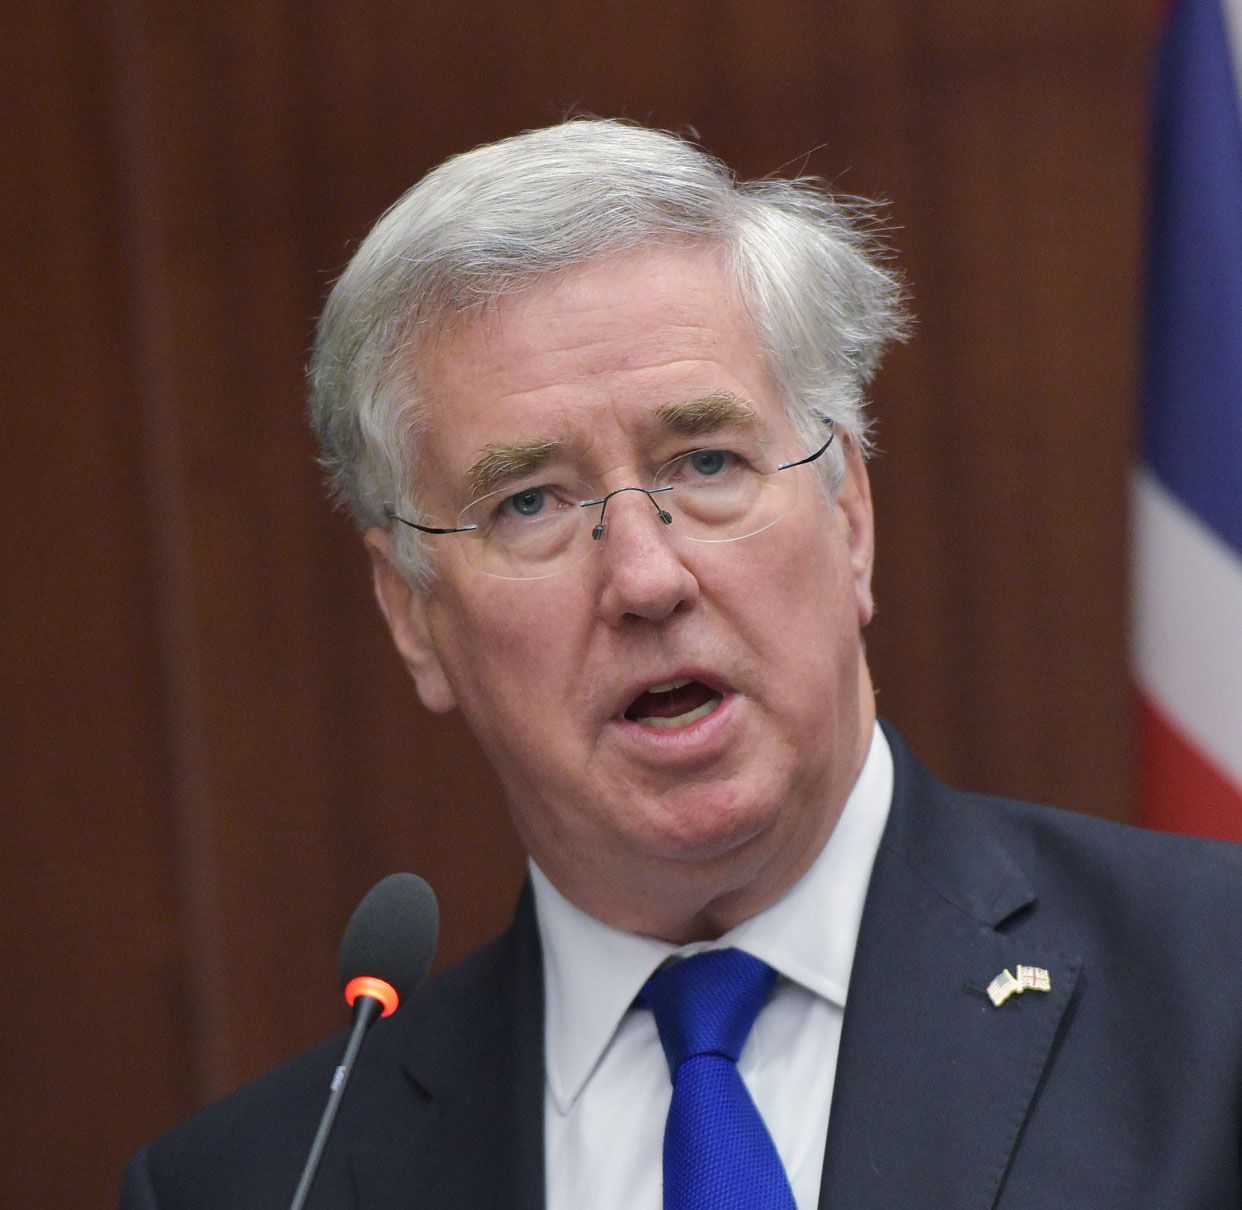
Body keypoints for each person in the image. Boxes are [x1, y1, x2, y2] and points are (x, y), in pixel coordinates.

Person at [122, 120, 1242, 1209]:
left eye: (706, 460)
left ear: (846, 512)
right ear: (414, 615)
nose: (648, 579)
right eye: (530, 504)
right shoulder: (267, 1185)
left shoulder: (1211, 997)